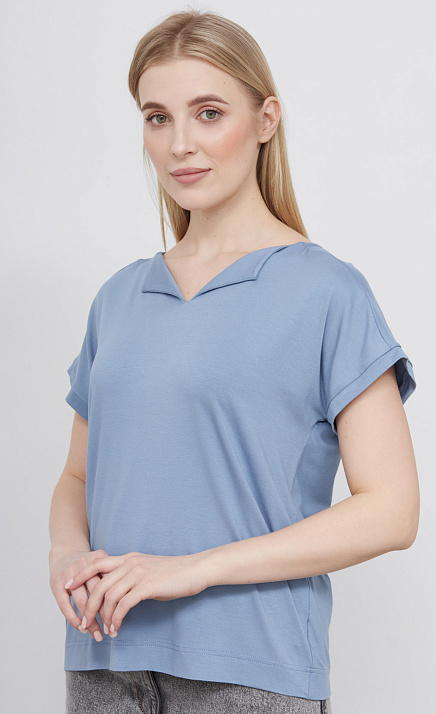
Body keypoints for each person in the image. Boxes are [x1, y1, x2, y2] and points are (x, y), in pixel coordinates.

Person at [49, 8, 419, 714]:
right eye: (158, 118)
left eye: (209, 113)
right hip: (104, 663)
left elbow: (392, 510)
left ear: (265, 119)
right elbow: (76, 476)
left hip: (248, 674)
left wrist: (193, 570)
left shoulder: (327, 292)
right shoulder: (119, 297)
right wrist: (65, 555)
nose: (180, 144)